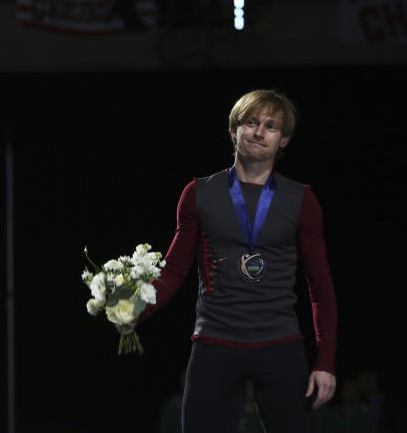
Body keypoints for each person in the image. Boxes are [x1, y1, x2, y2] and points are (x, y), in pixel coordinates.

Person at [131, 89, 338, 433]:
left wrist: (326, 362)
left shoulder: (302, 200)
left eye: (271, 126)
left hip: (280, 345)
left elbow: (320, 285)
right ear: (233, 130)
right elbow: (175, 269)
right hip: (215, 344)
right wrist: (136, 308)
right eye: (251, 122)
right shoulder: (199, 193)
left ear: (284, 140)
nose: (259, 132)